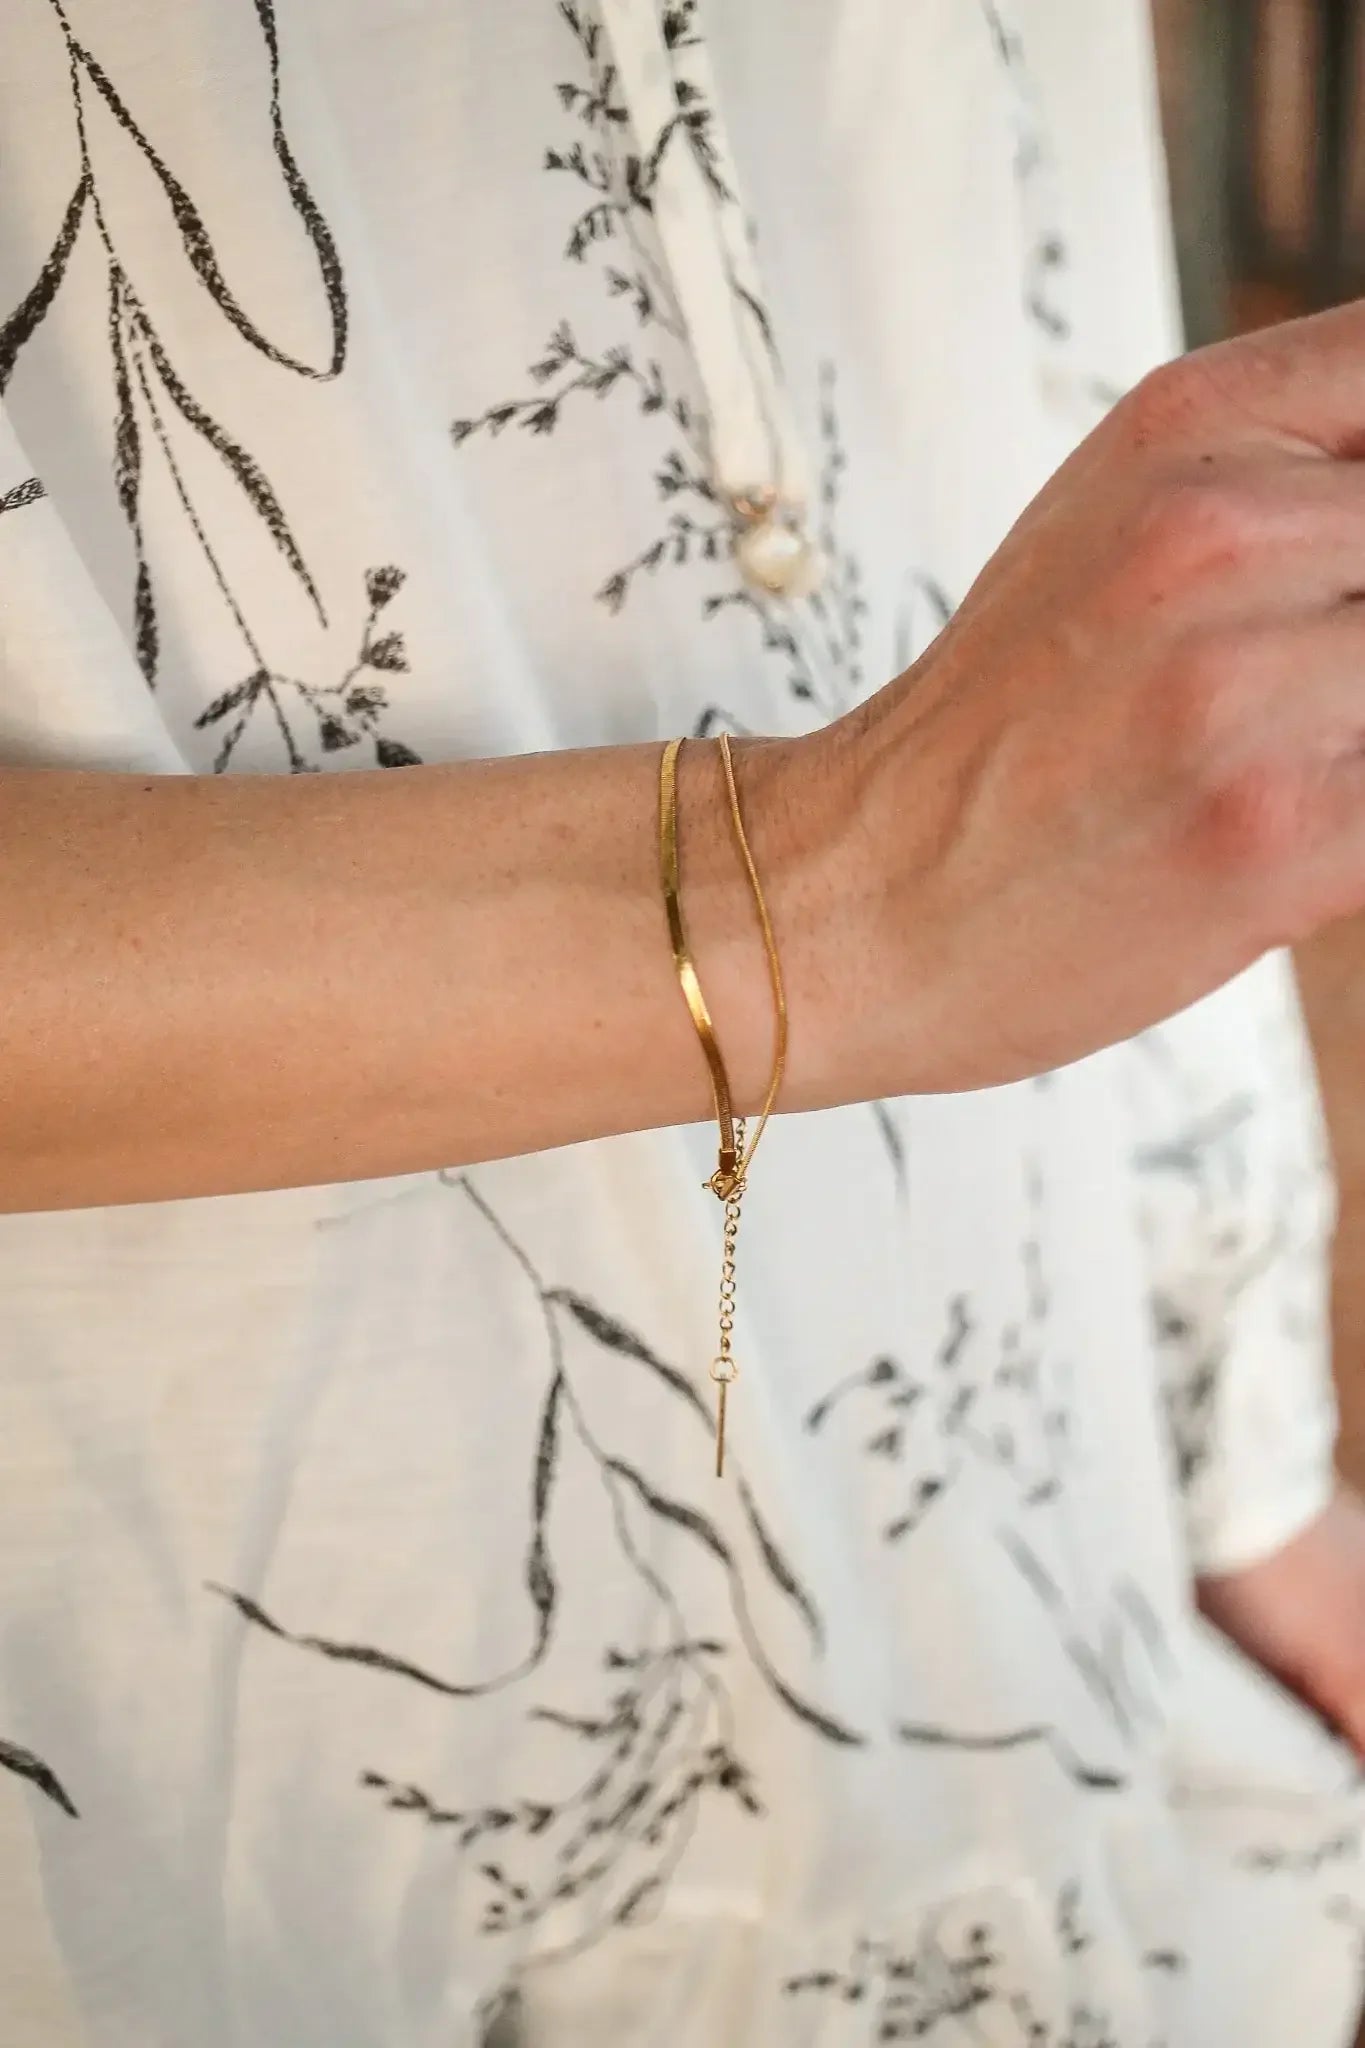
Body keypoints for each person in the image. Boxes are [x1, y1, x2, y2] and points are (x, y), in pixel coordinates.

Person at [4, 1, 1365, 2040]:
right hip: (248, 1762)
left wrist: (1230, 1420)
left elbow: (1041, 317)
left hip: (1037, 1582)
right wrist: (828, 890)